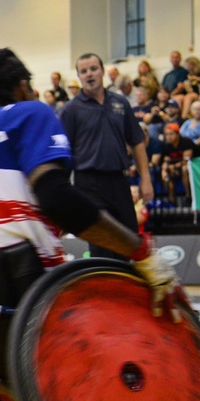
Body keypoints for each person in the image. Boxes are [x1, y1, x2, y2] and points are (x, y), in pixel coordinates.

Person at [0, 47, 184, 328]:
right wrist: (142, 252)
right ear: (22, 86)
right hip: (24, 289)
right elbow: (57, 199)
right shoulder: (30, 113)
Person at [61, 52, 153, 259]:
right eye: (83, 71)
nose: (89, 74)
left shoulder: (120, 103)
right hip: (88, 184)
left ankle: (128, 288)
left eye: (93, 69)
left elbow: (137, 141)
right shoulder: (71, 110)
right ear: (79, 76)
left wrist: (145, 180)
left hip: (118, 181)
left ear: (102, 71)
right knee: (101, 244)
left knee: (129, 240)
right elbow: (63, 153)